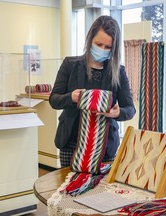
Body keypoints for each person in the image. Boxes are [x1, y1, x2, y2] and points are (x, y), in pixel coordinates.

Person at [49, 15, 136, 168]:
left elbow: (130, 109)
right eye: (98, 44)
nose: (102, 49)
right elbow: (54, 100)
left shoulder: (118, 72)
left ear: (114, 49)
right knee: (68, 188)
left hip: (105, 147)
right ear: (90, 40)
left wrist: (117, 113)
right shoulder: (70, 65)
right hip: (71, 143)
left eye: (108, 47)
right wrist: (72, 97)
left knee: (102, 191)